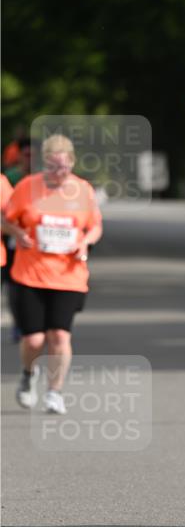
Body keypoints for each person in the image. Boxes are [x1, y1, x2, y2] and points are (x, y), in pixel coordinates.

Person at [1, 134, 103, 414]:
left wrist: (85, 242)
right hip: (29, 274)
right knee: (34, 339)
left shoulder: (83, 191)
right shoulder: (26, 188)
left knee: (60, 336)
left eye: (64, 167)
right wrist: (18, 232)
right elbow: (4, 220)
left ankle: (54, 392)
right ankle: (28, 373)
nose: (59, 173)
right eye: (53, 167)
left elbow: (95, 226)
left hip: (69, 276)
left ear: (72, 162)